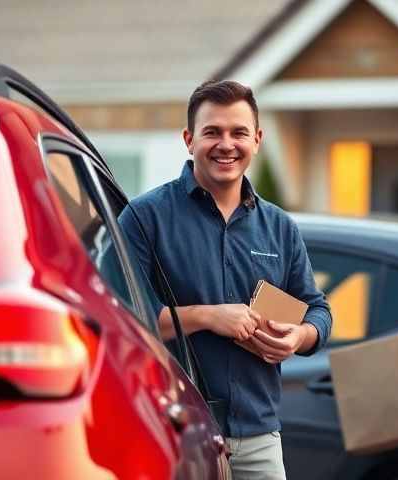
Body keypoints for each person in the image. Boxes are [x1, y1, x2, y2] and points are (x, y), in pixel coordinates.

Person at [119, 80, 332, 480]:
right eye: (212, 132)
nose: (226, 144)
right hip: (174, 433)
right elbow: (123, 319)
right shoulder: (144, 218)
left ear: (257, 138)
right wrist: (206, 317)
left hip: (259, 437)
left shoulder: (280, 227)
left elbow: (318, 310)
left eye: (238, 132)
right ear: (189, 139)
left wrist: (298, 337)